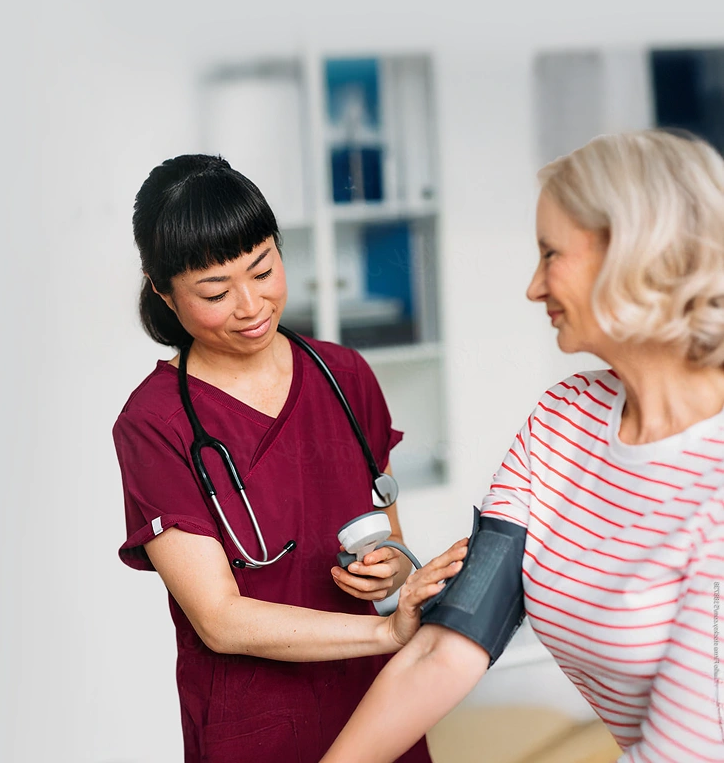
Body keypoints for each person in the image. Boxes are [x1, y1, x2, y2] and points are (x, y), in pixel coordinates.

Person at [321, 130, 724, 763]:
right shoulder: (564, 419)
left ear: (634, 254)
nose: (534, 288)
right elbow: (446, 643)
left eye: (550, 254)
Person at [112, 154, 465, 763]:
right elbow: (219, 620)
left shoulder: (344, 375)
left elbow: (390, 541)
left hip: (377, 705)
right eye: (216, 292)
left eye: (263, 269)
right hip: (256, 730)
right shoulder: (154, 424)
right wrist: (385, 630)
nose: (251, 306)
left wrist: (393, 574)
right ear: (163, 293)